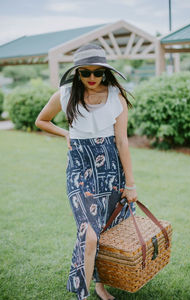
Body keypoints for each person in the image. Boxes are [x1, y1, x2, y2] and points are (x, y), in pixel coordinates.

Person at [35, 43, 137, 300]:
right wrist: (65, 133)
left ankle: (101, 286)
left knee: (107, 232)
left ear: (105, 72)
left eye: (97, 72)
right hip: (80, 172)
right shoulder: (65, 94)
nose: (92, 78)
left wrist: (131, 184)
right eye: (85, 72)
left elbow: (123, 142)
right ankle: (82, 294)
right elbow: (41, 120)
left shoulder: (116, 96)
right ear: (77, 72)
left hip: (111, 173)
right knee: (89, 234)